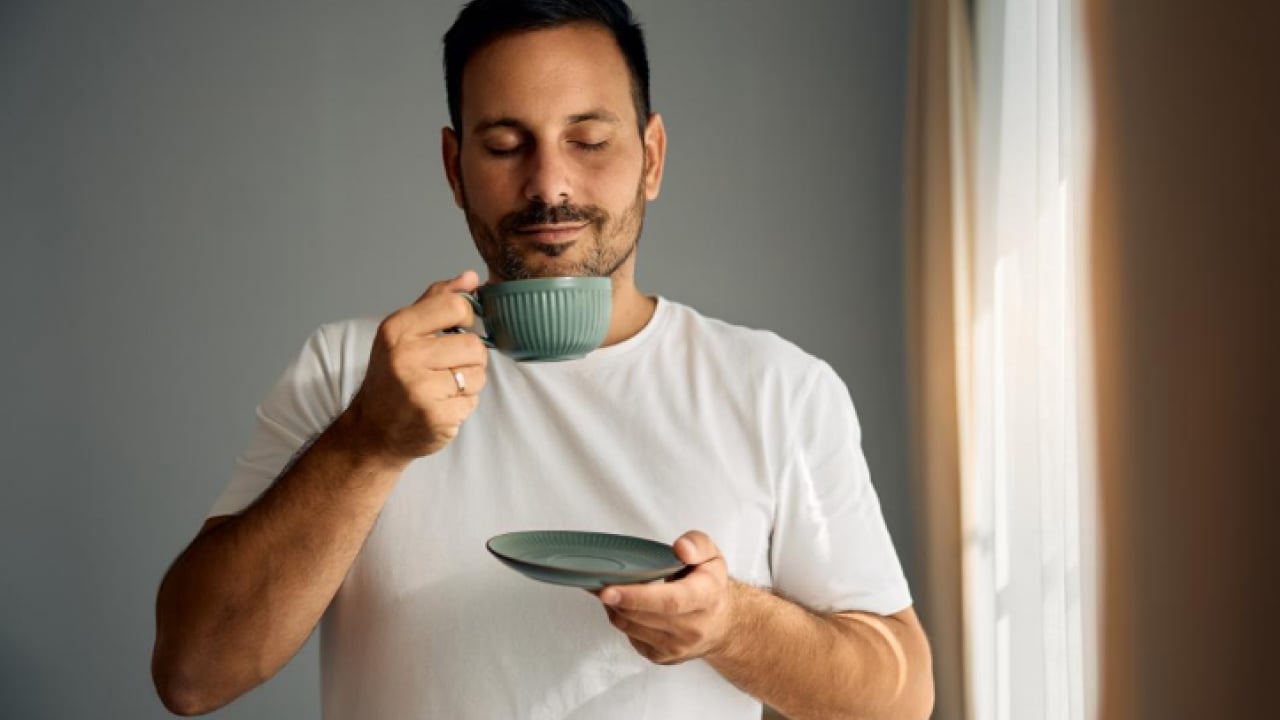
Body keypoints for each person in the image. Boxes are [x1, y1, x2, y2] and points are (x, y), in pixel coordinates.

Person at [150, 0, 934, 717]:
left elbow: (897, 698)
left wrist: (730, 623)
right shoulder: (352, 370)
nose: (549, 184)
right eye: (504, 145)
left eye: (588, 140)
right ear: (456, 170)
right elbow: (192, 673)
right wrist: (367, 442)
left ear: (652, 157)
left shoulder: (777, 390)